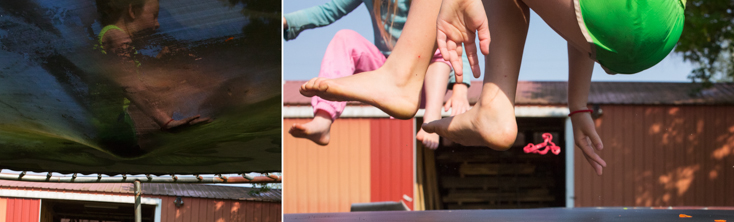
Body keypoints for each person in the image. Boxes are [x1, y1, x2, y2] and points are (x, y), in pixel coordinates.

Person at [301, 0, 684, 175]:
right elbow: (584, 27)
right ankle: (496, 107)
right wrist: (578, 104)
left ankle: (400, 74)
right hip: (654, 23)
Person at [284, 0, 472, 148]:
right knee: (344, 38)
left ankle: (432, 120)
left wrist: (460, 88)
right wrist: (285, 21)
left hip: (423, 81)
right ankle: (323, 121)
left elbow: (452, 31)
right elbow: (327, 11)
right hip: (387, 74)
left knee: (439, 38)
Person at [93, 0, 209, 156]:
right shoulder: (118, 37)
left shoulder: (110, 35)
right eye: (154, 16)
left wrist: (158, 62)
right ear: (132, 11)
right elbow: (131, 86)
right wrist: (166, 121)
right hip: (114, 127)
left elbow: (122, 77)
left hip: (117, 123)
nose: (157, 24)